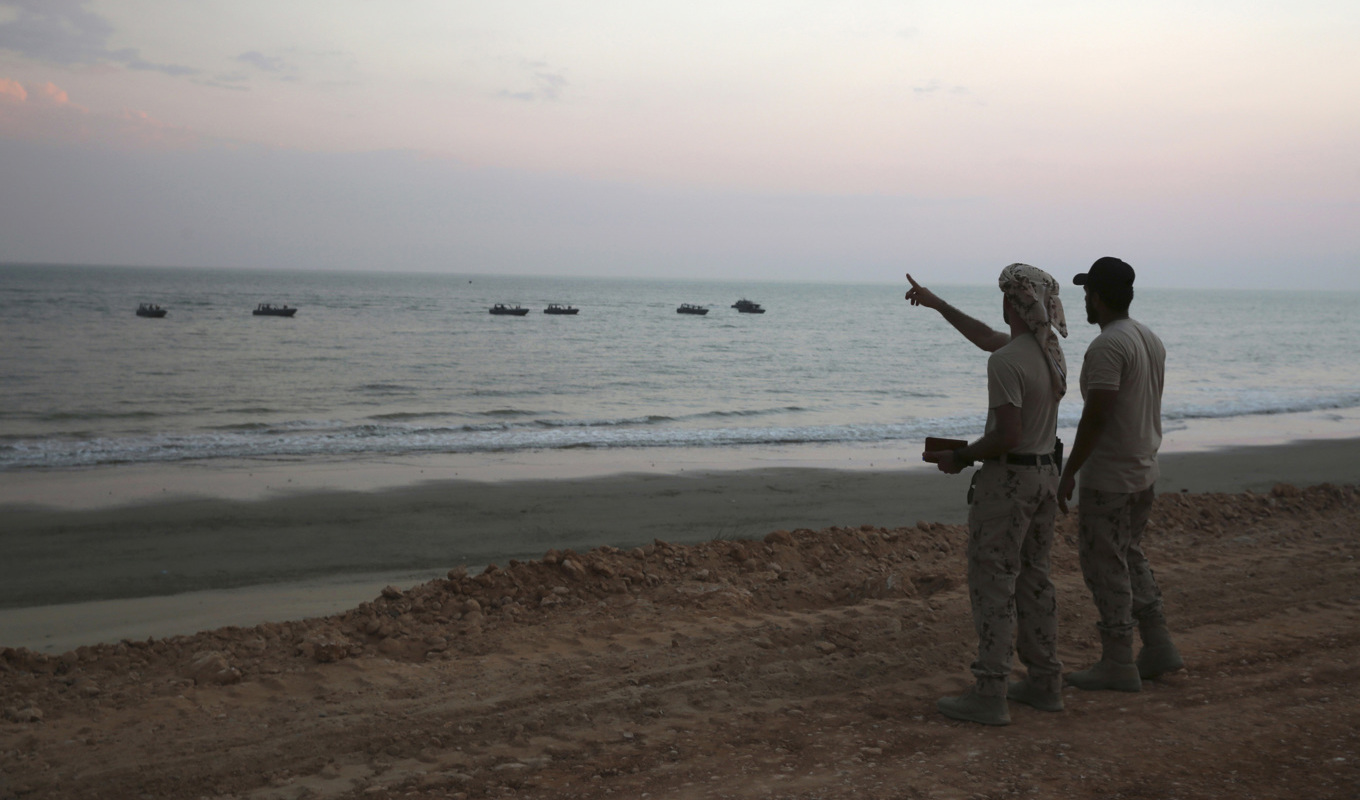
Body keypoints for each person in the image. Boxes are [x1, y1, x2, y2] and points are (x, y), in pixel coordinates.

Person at [906, 265, 1069, 725]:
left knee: (993, 583)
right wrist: (937, 304)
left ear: (1010, 303)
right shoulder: (1048, 351)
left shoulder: (1007, 362)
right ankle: (1044, 683)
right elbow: (984, 336)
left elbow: (1007, 436)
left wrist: (962, 457)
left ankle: (991, 691)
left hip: (1010, 483)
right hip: (1045, 479)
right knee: (1035, 580)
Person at [1057, 257, 1184, 692]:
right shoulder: (1149, 338)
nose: (1084, 301)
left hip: (1110, 477)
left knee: (1103, 564)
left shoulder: (1108, 346)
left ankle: (1117, 660)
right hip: (1144, 469)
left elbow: (1097, 417)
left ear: (1099, 296)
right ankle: (1158, 644)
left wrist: (1069, 470)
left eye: (1087, 292)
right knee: (1128, 554)